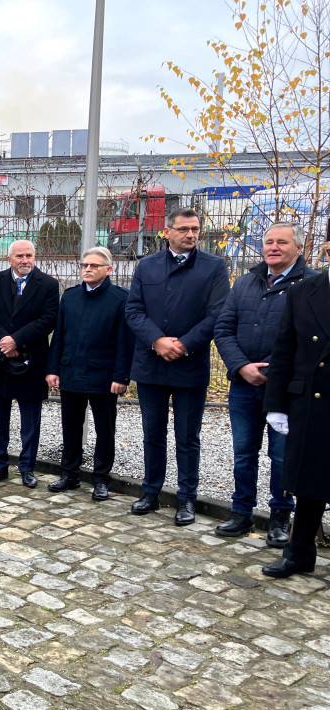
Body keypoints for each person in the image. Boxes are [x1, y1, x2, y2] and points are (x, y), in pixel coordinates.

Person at [124, 207, 230, 525]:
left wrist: (183, 344)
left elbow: (218, 314)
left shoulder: (213, 267)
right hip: (151, 364)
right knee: (152, 433)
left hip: (190, 365)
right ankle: (151, 492)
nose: (191, 234)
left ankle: (186, 499)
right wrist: (157, 341)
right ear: (167, 231)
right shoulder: (148, 266)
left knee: (187, 437)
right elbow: (133, 310)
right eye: (183, 229)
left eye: (195, 229)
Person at [214, 221, 317, 543]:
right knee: (244, 452)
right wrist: (242, 366)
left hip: (286, 391)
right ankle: (241, 513)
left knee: (283, 456)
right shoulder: (245, 282)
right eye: (269, 241)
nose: (273, 247)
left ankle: (279, 517)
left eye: (282, 242)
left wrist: (273, 370)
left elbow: (311, 340)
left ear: (300, 247)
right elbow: (224, 329)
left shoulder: (312, 285)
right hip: (244, 386)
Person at [45, 246, 132, 500]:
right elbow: (59, 336)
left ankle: (101, 479)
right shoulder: (70, 297)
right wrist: (53, 369)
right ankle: (69, 475)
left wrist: (121, 376)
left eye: (94, 266)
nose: (88, 269)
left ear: (108, 270)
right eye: (85, 265)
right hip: (71, 372)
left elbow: (125, 343)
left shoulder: (120, 299)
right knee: (70, 427)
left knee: (105, 430)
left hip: (103, 376)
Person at [261, 268, 330, 578]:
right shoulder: (304, 291)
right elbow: (284, 350)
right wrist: (275, 405)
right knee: (310, 481)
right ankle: (299, 553)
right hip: (312, 401)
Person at [0, 239, 59, 488]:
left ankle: (27, 468)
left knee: (30, 420)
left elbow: (48, 320)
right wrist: (3, 340)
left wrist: (17, 341)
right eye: (20, 256)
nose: (25, 261)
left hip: (32, 359)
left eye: (29, 256)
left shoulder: (48, 284)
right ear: (9, 259)